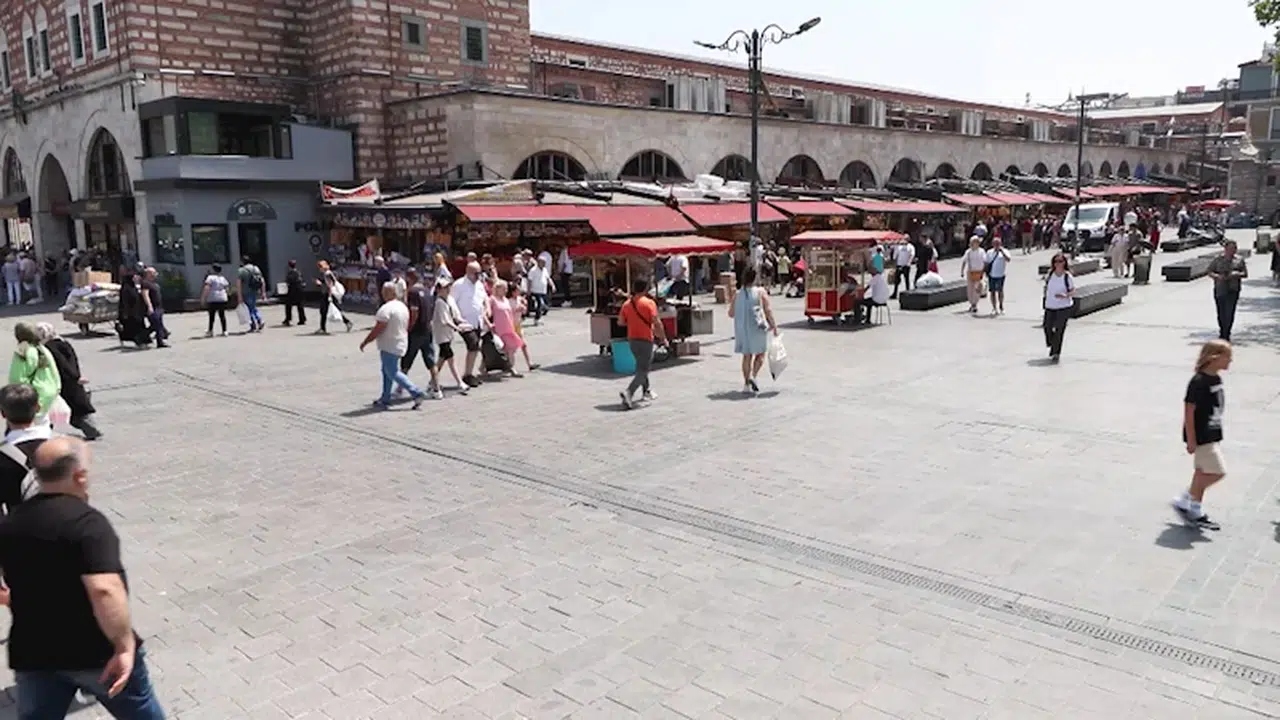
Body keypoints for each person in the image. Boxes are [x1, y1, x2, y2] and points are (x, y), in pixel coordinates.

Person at [0, 436, 166, 718]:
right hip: (96, 654)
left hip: (34, 651)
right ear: (79, 476)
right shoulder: (88, 524)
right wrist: (124, 646)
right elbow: (104, 590)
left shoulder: (10, 522)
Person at [1172, 340, 1232, 531]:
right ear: (1214, 358)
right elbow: (1189, 411)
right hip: (1202, 436)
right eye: (1227, 357)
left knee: (1201, 472)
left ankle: (1188, 504)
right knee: (1217, 472)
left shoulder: (1216, 378)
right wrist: (1191, 439)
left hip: (1212, 433)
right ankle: (1190, 502)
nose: (1230, 361)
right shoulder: (1198, 382)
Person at [359, 283, 426, 410]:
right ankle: (385, 398)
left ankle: (416, 392)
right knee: (386, 371)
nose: (382, 294)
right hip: (400, 342)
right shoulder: (402, 306)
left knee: (392, 371)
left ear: (387, 293)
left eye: (384, 291)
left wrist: (366, 341)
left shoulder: (386, 309)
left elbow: (379, 328)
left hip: (389, 344)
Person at [36, 324, 100, 440]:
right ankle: (91, 430)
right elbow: (73, 361)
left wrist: (75, 377)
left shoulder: (49, 347)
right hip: (72, 380)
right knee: (77, 409)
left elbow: (63, 364)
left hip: (63, 381)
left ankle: (91, 430)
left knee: (55, 408)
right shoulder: (63, 342)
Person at [617, 278, 667, 410]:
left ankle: (646, 391)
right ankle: (629, 392)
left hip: (632, 340)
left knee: (641, 366)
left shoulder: (627, 304)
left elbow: (620, 322)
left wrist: (633, 323)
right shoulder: (649, 303)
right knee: (643, 370)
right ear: (645, 289)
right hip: (646, 340)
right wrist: (663, 338)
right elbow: (657, 323)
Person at [727, 267, 778, 395]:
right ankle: (754, 376)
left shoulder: (738, 294)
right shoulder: (760, 292)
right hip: (757, 327)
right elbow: (768, 310)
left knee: (746, 355)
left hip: (742, 329)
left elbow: (731, 313)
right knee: (760, 354)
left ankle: (746, 384)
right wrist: (774, 326)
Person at [0, 384, 49, 512]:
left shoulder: (3, 455)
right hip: (62, 523)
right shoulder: (63, 444)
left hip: (21, 526)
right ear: (38, 407)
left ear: (3, 413)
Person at [399, 269, 441, 400]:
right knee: (430, 360)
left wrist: (409, 327)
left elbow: (414, 311)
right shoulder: (428, 291)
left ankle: (400, 388)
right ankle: (437, 389)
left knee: (406, 360)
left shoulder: (413, 292)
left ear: (409, 278)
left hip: (416, 331)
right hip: (427, 329)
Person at [8, 322, 62, 424]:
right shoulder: (42, 348)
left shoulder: (23, 351)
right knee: (43, 424)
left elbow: (17, 378)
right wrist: (57, 388)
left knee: (28, 428)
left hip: (31, 396)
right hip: (48, 392)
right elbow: (54, 370)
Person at [450, 262, 490, 388]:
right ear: (468, 272)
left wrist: (487, 308)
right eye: (475, 273)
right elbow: (451, 302)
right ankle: (467, 374)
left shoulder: (479, 285)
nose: (478, 276)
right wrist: (456, 319)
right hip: (464, 322)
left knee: (475, 346)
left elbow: (485, 298)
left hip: (477, 320)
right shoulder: (459, 285)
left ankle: (469, 373)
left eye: (479, 273)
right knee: (473, 345)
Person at [430, 279, 468, 395]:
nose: (447, 289)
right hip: (442, 335)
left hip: (448, 334)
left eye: (448, 287)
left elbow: (455, 315)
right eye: (444, 288)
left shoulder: (450, 300)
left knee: (441, 359)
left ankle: (432, 381)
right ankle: (460, 382)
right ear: (438, 290)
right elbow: (445, 320)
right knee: (450, 357)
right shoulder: (439, 303)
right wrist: (457, 328)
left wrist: (463, 322)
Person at [1208, 240, 1248, 342]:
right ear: (1225, 249)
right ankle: (1222, 331)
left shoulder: (1239, 260)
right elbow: (1209, 271)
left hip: (1233, 289)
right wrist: (1217, 276)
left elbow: (1245, 273)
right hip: (1220, 288)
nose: (1232, 251)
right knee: (1221, 312)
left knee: (1230, 312)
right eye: (1230, 248)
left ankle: (1227, 333)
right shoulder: (1218, 259)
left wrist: (1236, 274)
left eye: (1234, 248)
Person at [1042, 253, 1076, 362]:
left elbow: (1073, 290)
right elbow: (1046, 287)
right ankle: (1052, 343)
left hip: (1064, 306)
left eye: (1060, 261)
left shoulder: (1067, 276)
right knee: (1047, 327)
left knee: (1059, 329)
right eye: (1056, 261)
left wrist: (1065, 295)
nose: (1058, 264)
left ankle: (1056, 352)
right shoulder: (1050, 274)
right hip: (1050, 305)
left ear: (1064, 263)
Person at [488, 280, 525, 379]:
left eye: (506, 289)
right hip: (498, 328)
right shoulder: (492, 299)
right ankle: (483, 367)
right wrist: (489, 324)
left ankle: (512, 368)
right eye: (503, 289)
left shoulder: (505, 300)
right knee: (498, 349)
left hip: (508, 326)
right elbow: (487, 313)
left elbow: (509, 313)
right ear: (497, 289)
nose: (505, 291)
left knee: (511, 348)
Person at [315, 260, 353, 335]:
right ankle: (347, 322)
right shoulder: (328, 273)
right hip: (329, 294)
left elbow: (330, 286)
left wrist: (329, 296)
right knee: (329, 310)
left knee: (325, 311)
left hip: (328, 294)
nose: (319, 269)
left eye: (320, 267)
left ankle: (323, 328)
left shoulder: (327, 274)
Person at [116, 269, 149, 347]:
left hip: (137, 311)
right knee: (133, 327)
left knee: (140, 326)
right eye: (133, 277)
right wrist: (125, 312)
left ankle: (144, 340)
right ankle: (138, 341)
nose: (135, 278)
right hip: (130, 312)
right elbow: (124, 301)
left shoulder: (133, 287)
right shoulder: (125, 288)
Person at [236, 256, 267, 332]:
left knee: (249, 309)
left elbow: (238, 283)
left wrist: (239, 295)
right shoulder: (256, 268)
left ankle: (257, 322)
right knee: (252, 306)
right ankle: (257, 322)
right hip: (255, 290)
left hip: (246, 291)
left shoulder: (241, 270)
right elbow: (262, 280)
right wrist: (263, 292)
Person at [141, 267, 169, 348]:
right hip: (153, 307)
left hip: (159, 307)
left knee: (156, 325)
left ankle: (142, 337)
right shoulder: (145, 283)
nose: (155, 274)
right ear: (149, 274)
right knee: (157, 325)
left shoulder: (154, 284)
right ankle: (159, 342)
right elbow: (145, 295)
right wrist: (149, 306)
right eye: (154, 273)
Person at [200, 264, 230, 337]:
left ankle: (210, 331)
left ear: (213, 270)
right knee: (222, 315)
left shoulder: (210, 278)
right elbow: (227, 288)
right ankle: (224, 330)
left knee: (212, 316)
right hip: (222, 298)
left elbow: (207, 288)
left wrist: (203, 298)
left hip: (213, 298)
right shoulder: (222, 278)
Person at [960, 235, 987, 314]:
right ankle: (972, 303)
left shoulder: (981, 251)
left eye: (975, 242)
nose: (973, 244)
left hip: (979, 272)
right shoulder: (968, 252)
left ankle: (975, 303)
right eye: (972, 242)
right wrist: (962, 271)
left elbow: (985, 261)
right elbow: (964, 261)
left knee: (977, 288)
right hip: (970, 272)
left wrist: (984, 271)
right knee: (970, 289)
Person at [526, 255, 555, 323]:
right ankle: (537, 318)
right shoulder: (533, 270)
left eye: (545, 262)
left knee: (543, 305)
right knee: (540, 304)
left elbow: (548, 278)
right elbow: (529, 280)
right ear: (539, 262)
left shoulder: (545, 270)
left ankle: (538, 317)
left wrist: (552, 285)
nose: (544, 264)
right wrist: (529, 290)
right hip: (535, 291)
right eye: (543, 262)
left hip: (543, 291)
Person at [986, 237, 1011, 316]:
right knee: (992, 292)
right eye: (995, 244)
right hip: (992, 275)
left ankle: (1001, 306)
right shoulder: (989, 252)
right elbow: (986, 263)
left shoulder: (1005, 251)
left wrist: (1002, 252)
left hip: (1000, 274)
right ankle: (994, 308)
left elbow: (1008, 260)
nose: (996, 245)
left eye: (998, 243)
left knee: (1000, 291)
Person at [282, 259, 307, 327]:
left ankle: (288, 319)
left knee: (288, 305)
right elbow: (302, 281)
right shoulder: (298, 272)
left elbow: (288, 282)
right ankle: (302, 319)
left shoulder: (290, 273)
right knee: (300, 305)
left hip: (293, 290)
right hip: (300, 290)